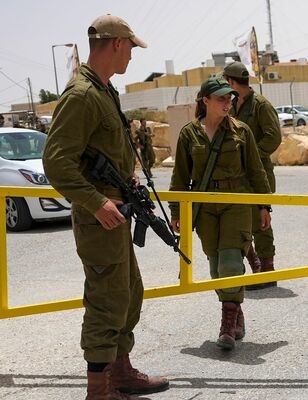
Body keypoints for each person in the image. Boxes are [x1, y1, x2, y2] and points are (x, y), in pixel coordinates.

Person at [42, 14, 169, 399]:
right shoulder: (81, 95)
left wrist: (125, 180)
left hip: (115, 215)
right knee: (106, 301)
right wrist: (97, 202)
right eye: (130, 47)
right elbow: (56, 162)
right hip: (101, 219)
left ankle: (120, 371)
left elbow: (99, 153)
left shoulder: (104, 91)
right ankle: (98, 390)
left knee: (129, 292)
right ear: (116, 43)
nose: (132, 55)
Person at [169, 76, 271, 351]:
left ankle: (226, 325)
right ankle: (235, 312)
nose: (227, 103)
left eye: (230, 98)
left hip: (235, 202)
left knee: (229, 261)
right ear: (205, 100)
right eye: (221, 98)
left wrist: (264, 205)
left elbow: (256, 170)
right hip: (204, 207)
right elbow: (180, 176)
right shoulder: (189, 134)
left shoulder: (242, 131)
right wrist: (177, 211)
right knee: (216, 265)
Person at [223, 61, 282, 289]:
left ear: (230, 81)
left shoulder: (260, 105)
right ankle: (256, 265)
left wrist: (250, 154)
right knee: (239, 223)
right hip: (237, 174)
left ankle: (266, 270)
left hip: (258, 174)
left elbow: (273, 137)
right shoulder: (233, 104)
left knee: (260, 221)